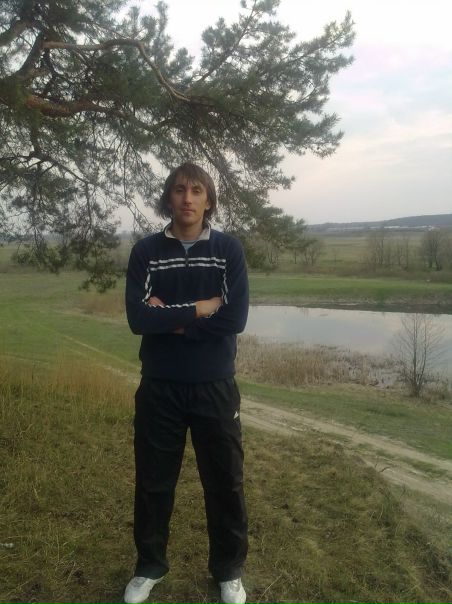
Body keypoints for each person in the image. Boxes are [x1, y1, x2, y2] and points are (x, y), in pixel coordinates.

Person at [124, 162, 249, 604]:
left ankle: (228, 570)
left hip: (215, 385)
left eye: (197, 190)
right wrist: (199, 308)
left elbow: (235, 318)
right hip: (160, 386)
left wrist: (170, 319)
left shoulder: (228, 251)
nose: (188, 198)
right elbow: (138, 319)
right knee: (154, 482)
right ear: (169, 197)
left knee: (225, 482)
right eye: (179, 190)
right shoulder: (146, 252)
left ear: (209, 199)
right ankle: (149, 566)